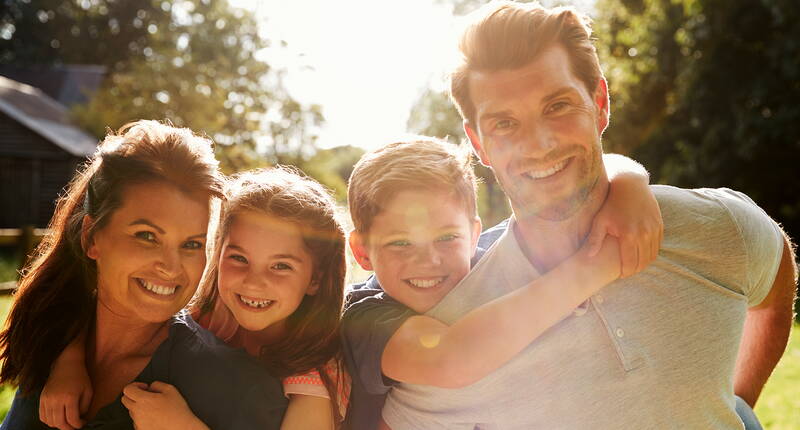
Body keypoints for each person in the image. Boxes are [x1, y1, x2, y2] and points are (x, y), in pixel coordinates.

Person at [377, 2, 797, 429]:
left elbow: (776, 265)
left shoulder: (715, 226)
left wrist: (740, 405)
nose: (539, 145)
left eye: (557, 106)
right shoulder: (455, 331)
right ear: (479, 143)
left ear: (599, 103)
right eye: (504, 124)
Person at [341, 137, 663, 430]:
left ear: (474, 234)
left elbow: (602, 166)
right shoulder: (365, 317)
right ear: (361, 251)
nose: (429, 260)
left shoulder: (491, 261)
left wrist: (629, 184)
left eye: (447, 237)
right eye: (400, 243)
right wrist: (600, 265)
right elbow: (452, 358)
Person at [0, 121, 288, 430]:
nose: (171, 265)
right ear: (91, 238)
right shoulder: (50, 342)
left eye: (191, 244)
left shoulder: (235, 390)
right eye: (147, 236)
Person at [38, 167, 350, 430]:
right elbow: (109, 306)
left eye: (281, 266)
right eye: (239, 258)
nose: (254, 282)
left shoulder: (313, 375)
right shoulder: (208, 316)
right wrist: (69, 359)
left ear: (315, 279)